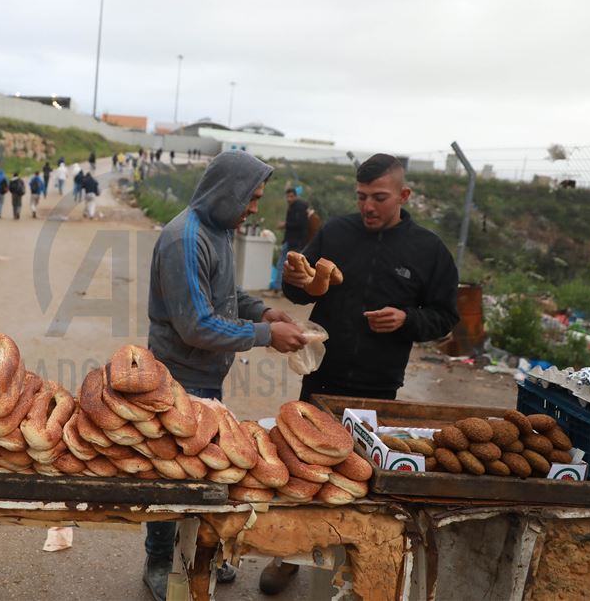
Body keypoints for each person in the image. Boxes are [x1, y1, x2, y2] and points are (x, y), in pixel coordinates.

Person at [262, 153, 460, 596]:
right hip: (322, 374)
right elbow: (299, 285)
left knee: (366, 478)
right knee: (306, 468)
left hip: (378, 384)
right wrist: (294, 277)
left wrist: (406, 319)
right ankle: (287, 554)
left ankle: (353, 561)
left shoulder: (428, 250)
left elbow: (445, 316)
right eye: (362, 196)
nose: (368, 206)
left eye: (379, 197)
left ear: (403, 196)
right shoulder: (336, 232)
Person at [143, 150, 308, 601]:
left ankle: (197, 553)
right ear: (227, 192)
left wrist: (264, 310)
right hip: (180, 376)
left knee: (201, 472)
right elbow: (197, 324)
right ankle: (158, 560)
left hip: (206, 376)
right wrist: (265, 334)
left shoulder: (218, 231)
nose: (254, 208)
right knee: (173, 475)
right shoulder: (185, 239)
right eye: (250, 199)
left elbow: (225, 293)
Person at [269, 186, 310, 292]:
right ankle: (284, 289)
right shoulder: (295, 206)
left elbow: (300, 224)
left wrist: (285, 225)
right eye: (287, 197)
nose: (289, 199)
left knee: (284, 264)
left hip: (295, 241)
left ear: (296, 196)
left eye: (291, 196)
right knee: (292, 266)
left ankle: (279, 288)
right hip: (293, 241)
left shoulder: (298, 206)